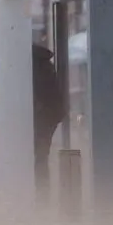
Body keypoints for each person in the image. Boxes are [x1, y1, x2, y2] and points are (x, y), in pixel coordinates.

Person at [32, 41, 65, 183]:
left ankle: (40, 192)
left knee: (38, 157)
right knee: (41, 157)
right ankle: (42, 192)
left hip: (42, 117)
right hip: (49, 116)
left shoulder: (34, 66)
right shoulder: (45, 64)